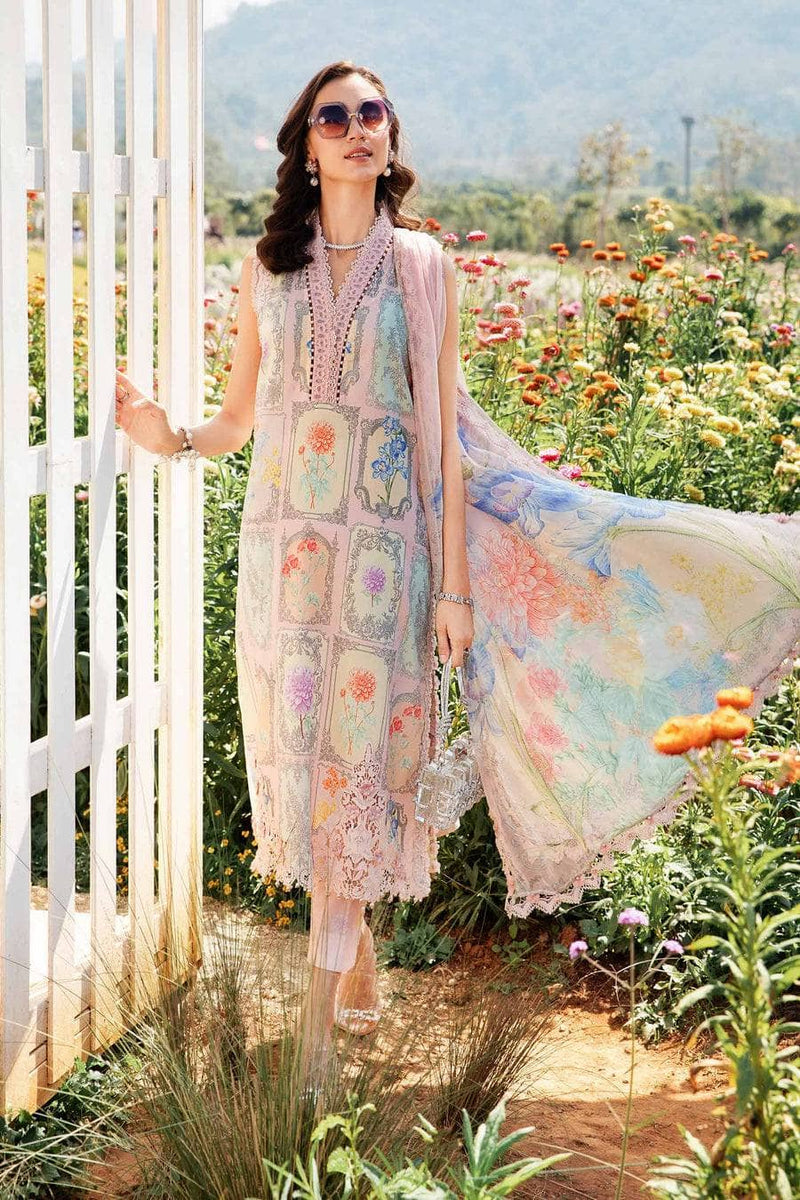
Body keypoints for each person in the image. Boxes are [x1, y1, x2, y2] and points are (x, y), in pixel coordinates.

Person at [115, 61, 473, 1097]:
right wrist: (171, 436)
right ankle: (351, 957)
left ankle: (314, 1047)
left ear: (389, 136)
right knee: (309, 773)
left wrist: (452, 589)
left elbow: (444, 441)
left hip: (386, 569)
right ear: (307, 146)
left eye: (372, 112)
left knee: (355, 769)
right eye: (334, 116)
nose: (358, 127)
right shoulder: (268, 270)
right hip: (284, 568)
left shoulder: (423, 267)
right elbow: (241, 417)